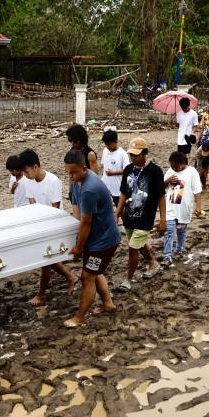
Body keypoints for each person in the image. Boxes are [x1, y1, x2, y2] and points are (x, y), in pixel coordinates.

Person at [64, 149, 120, 327]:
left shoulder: (89, 189)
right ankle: (108, 304)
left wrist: (79, 248)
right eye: (68, 172)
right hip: (96, 237)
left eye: (73, 172)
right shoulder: (76, 182)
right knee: (95, 272)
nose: (70, 176)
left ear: (84, 168)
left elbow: (86, 223)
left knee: (87, 277)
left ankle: (79, 318)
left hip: (104, 241)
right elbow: (77, 212)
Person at [17, 149, 77, 305]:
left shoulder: (53, 181)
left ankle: (41, 294)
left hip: (55, 224)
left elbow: (55, 209)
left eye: (26, 170)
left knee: (45, 261)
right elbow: (32, 206)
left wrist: (45, 231)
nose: (25, 174)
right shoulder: (28, 181)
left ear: (36, 166)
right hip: (40, 223)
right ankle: (71, 277)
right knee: (47, 260)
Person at [117, 137, 166, 290]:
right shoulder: (128, 170)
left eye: (136, 154)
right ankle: (153, 262)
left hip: (146, 217)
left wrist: (163, 219)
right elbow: (123, 193)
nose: (133, 157)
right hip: (129, 215)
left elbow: (161, 196)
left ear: (145, 153)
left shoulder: (155, 171)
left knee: (132, 248)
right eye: (131, 154)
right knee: (137, 244)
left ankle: (128, 280)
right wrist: (117, 212)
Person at [163, 151, 203, 266]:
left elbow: (197, 191)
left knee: (181, 231)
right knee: (169, 232)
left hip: (184, 208)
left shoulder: (192, 172)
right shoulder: (170, 171)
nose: (173, 168)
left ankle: (179, 249)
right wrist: (167, 181)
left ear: (182, 163)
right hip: (170, 208)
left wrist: (198, 207)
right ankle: (167, 256)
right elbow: (161, 187)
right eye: (171, 165)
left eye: (176, 166)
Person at [100, 129, 127, 204]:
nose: (107, 146)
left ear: (116, 141)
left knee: (120, 209)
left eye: (109, 144)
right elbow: (104, 166)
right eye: (106, 144)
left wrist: (113, 173)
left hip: (117, 188)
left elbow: (127, 170)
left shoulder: (122, 154)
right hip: (105, 186)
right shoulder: (105, 151)